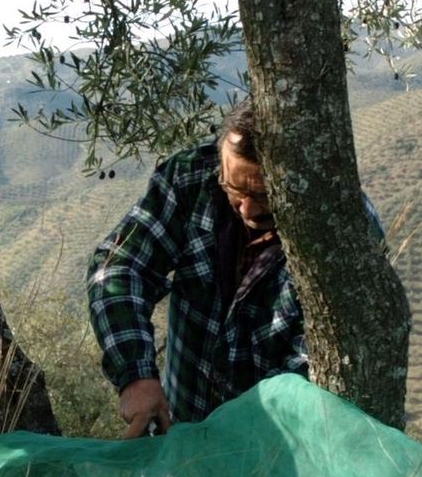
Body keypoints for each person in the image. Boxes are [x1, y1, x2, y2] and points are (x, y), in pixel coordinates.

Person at [89, 101, 333, 437]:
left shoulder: (340, 235)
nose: (248, 208)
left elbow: (314, 366)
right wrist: (136, 375)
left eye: (266, 194)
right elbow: (120, 267)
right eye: (235, 188)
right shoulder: (191, 177)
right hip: (182, 427)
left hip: (271, 449)